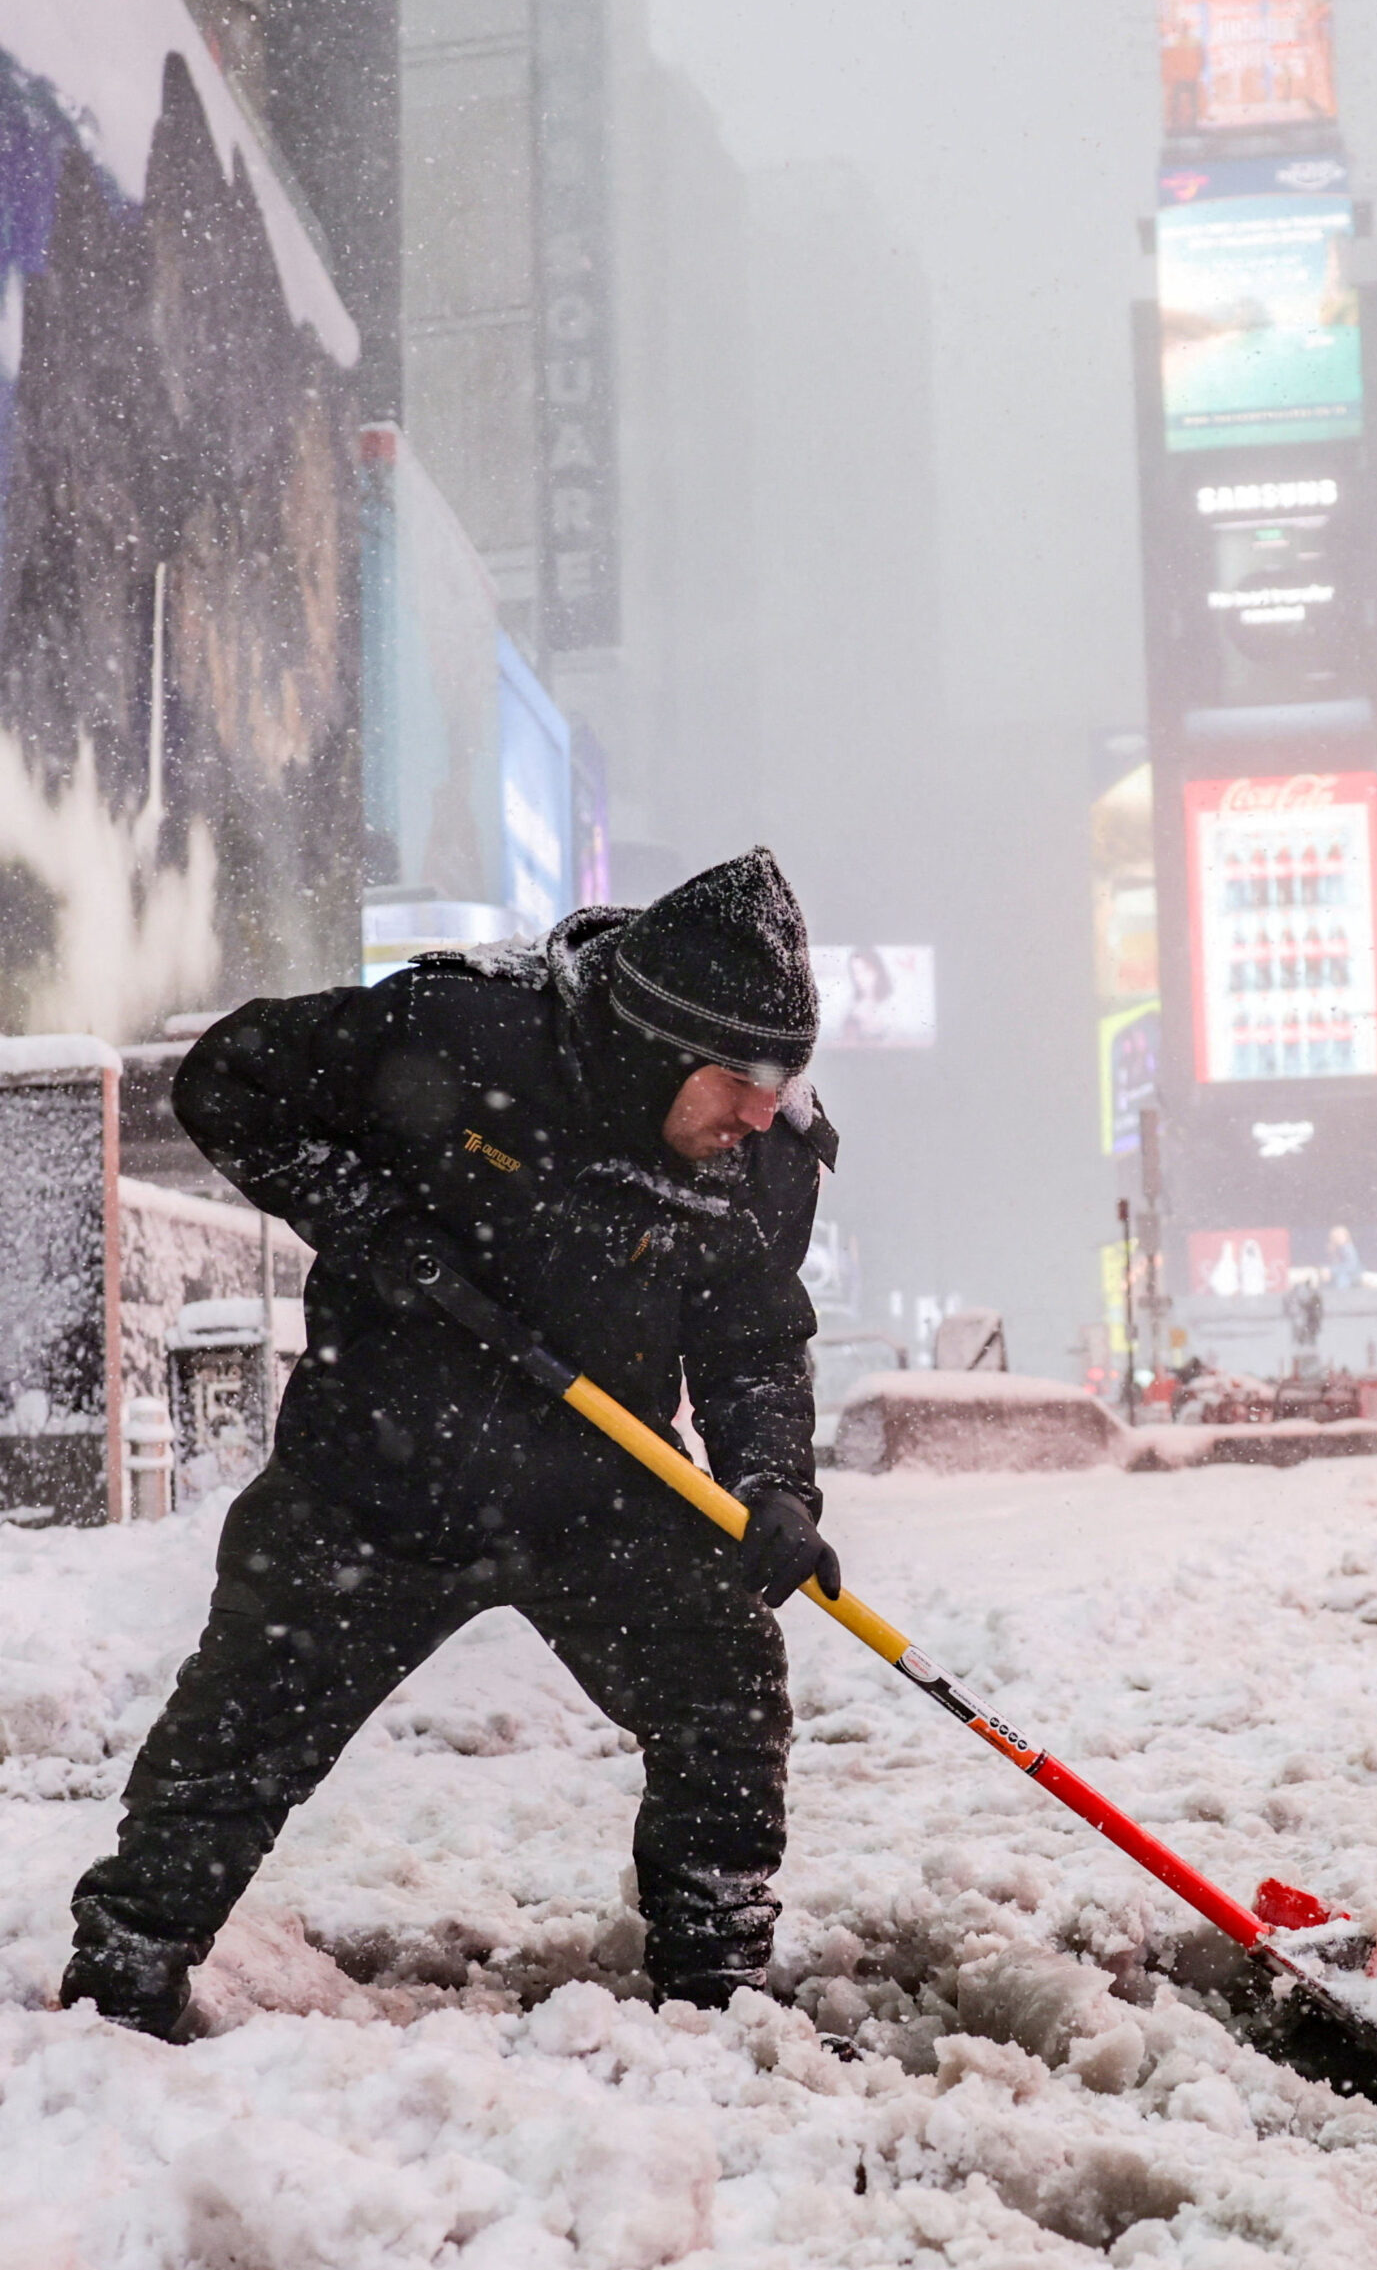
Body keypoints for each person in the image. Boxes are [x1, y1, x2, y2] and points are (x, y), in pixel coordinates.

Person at [63, 849, 842, 2039]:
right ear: (654, 1042)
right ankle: (125, 1968)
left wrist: (772, 1483)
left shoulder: (762, 1158)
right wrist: (367, 1222)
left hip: (603, 1488)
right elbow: (227, 1082)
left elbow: (748, 1339)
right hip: (379, 1479)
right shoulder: (461, 1031)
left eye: (784, 1074)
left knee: (724, 1683)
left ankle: (715, 1979)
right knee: (243, 1729)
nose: (760, 1106)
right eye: (739, 1074)